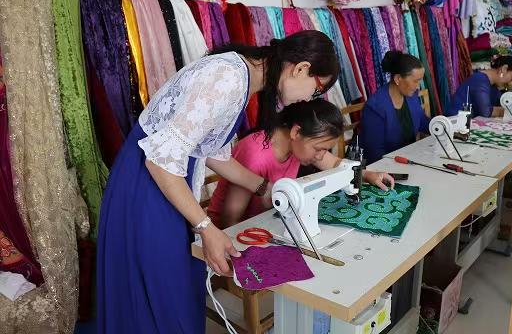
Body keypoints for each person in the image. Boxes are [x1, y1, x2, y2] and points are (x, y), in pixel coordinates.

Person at [96, 30, 340, 334]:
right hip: (148, 186)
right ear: (301, 68)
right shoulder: (228, 78)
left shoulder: (244, 78)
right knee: (160, 295)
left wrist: (264, 188)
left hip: (169, 184)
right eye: (317, 89)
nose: (310, 99)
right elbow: (159, 160)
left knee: (176, 291)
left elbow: (209, 154)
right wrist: (206, 227)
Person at [208, 99, 395, 229]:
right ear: (296, 132)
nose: (321, 156)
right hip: (237, 231)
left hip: (269, 221)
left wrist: (367, 174)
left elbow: (336, 164)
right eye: (319, 149)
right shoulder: (256, 156)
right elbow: (230, 220)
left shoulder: (298, 145)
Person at [360, 51, 430, 164]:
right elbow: (374, 153)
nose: (418, 87)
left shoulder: (411, 96)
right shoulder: (375, 108)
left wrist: (443, 126)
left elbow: (422, 121)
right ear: (398, 79)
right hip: (385, 166)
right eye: (415, 81)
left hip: (408, 159)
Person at [447, 55, 512, 118]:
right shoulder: (479, 80)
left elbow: (501, 103)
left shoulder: (492, 85)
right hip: (454, 124)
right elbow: (486, 112)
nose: (510, 83)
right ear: (504, 69)